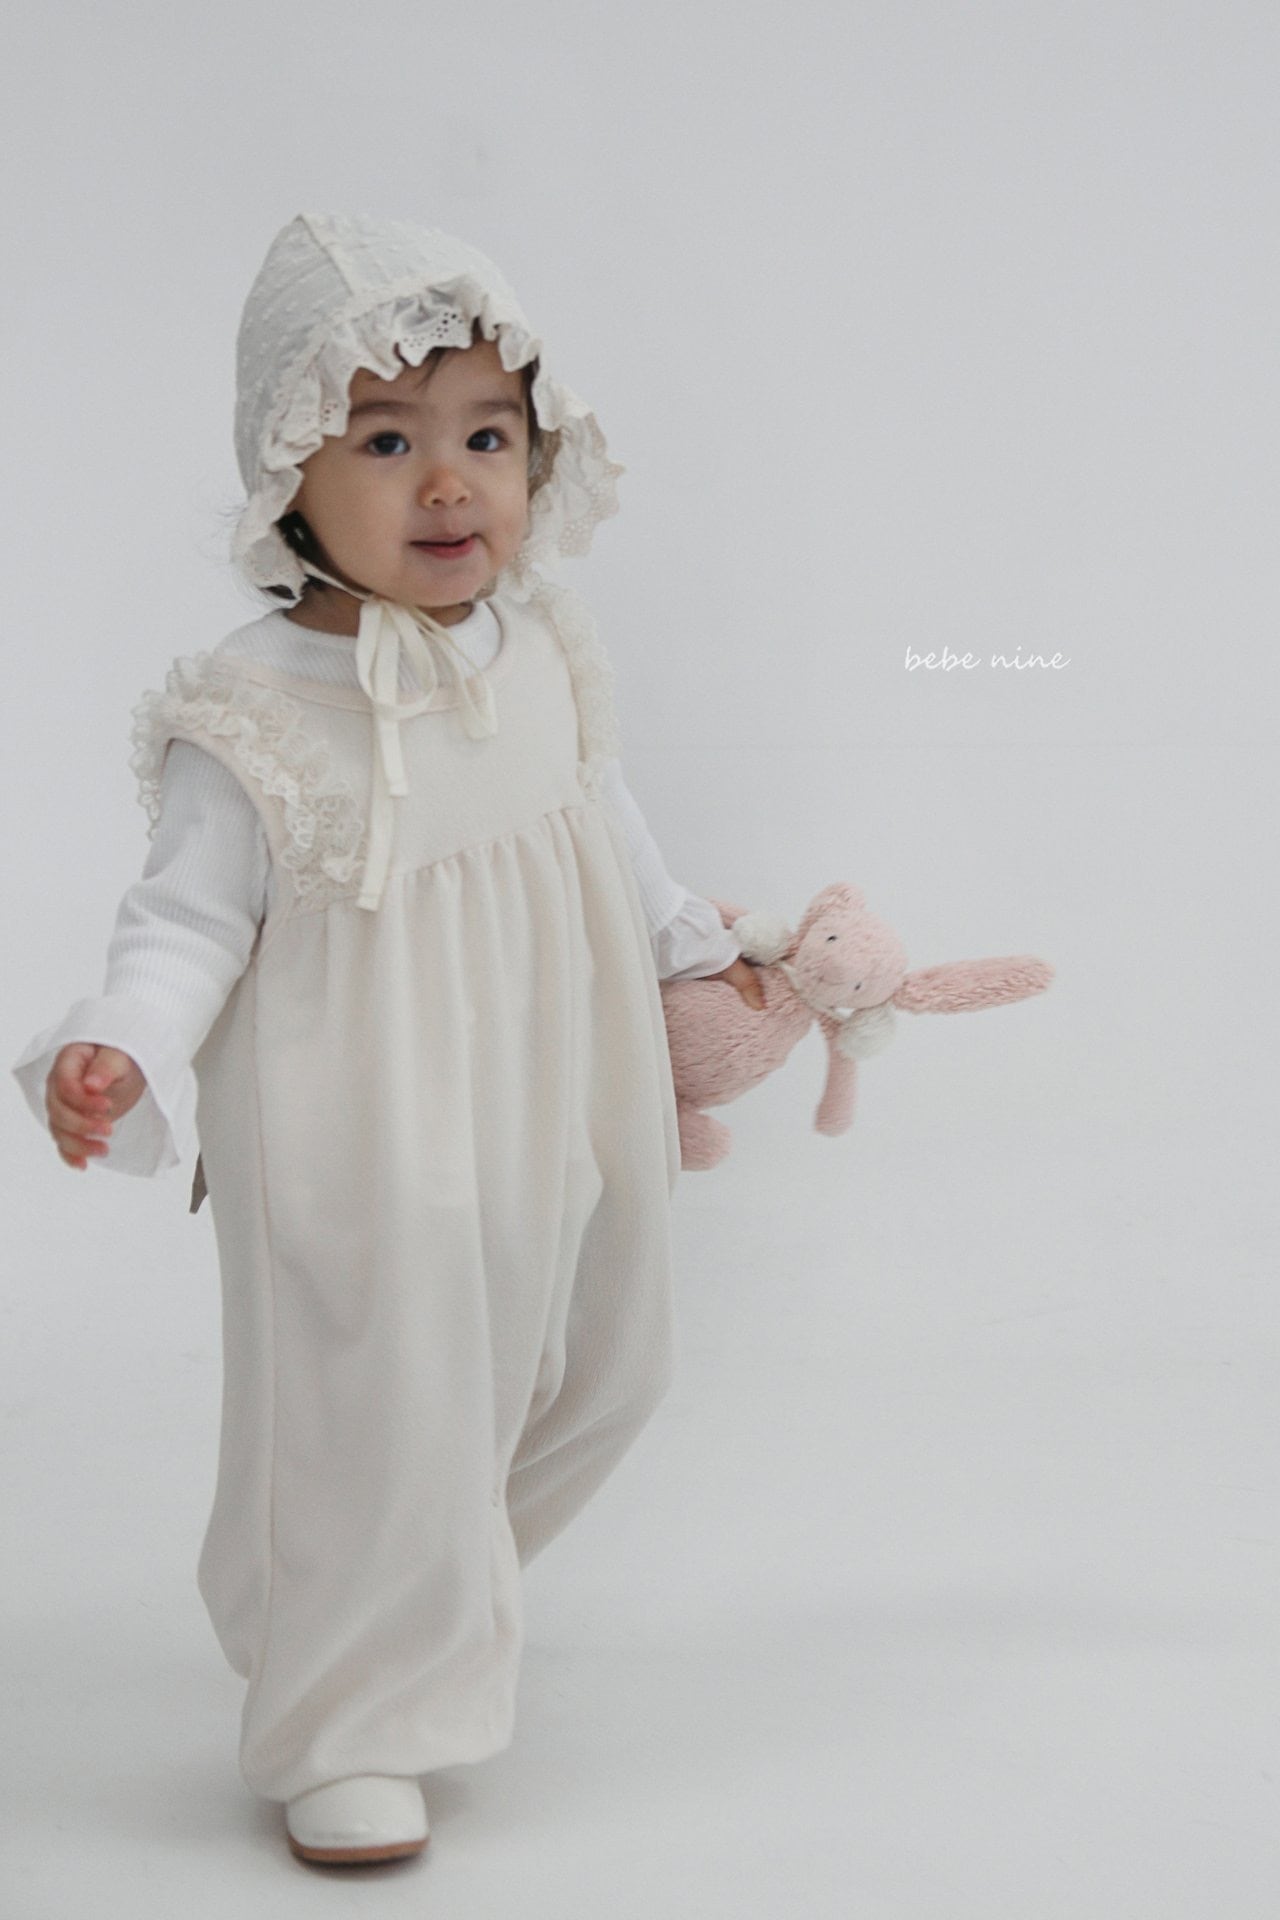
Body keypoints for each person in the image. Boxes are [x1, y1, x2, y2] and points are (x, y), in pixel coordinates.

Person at [11, 211, 764, 1867]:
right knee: (382, 1402)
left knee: (611, 1357)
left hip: (551, 1082)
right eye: (385, 442)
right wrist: (124, 1044)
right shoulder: (254, 708)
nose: (448, 485)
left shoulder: (539, 645)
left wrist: (699, 949)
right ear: (288, 471)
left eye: (488, 438)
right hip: (354, 1118)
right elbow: (185, 922)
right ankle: (346, 1711)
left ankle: (383, 1595)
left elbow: (600, 812)